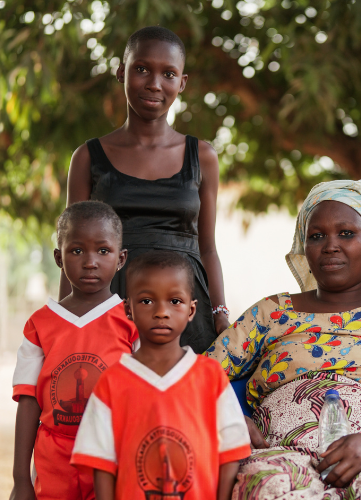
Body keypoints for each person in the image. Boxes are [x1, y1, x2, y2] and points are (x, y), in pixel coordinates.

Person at [206, 180, 361, 500]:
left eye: (346, 233)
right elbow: (195, 378)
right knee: (270, 489)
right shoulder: (271, 313)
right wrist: (226, 416)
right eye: (316, 236)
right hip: (283, 461)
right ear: (303, 245)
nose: (330, 245)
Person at [62, 25, 229, 354]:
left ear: (181, 83)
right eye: (141, 69)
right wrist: (66, 318)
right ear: (121, 71)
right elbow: (73, 248)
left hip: (184, 309)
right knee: (112, 402)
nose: (154, 84)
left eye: (168, 74)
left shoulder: (203, 156)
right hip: (112, 305)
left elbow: (207, 248)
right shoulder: (87, 157)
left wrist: (220, 315)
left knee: (181, 404)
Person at [71, 251, 250, 500]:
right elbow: (101, 463)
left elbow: (231, 451)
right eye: (146, 301)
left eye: (175, 301)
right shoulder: (112, 383)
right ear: (128, 309)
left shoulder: (211, 377)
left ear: (191, 309)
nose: (161, 311)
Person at [11, 201, 139, 500]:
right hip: (54, 461)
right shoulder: (39, 325)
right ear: (59, 257)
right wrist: (20, 479)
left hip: (113, 457)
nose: (90, 261)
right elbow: (28, 401)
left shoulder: (132, 321)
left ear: (121, 259)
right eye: (77, 250)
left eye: (103, 251)